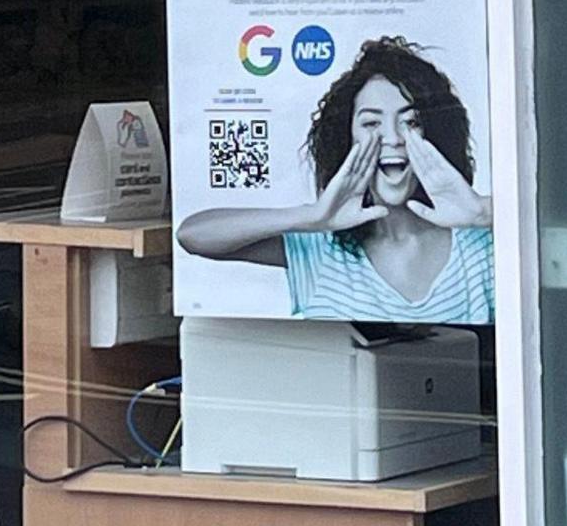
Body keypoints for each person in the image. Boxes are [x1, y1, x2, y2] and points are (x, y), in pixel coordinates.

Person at [174, 38, 492, 323]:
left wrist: (483, 213)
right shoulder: (321, 242)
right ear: (346, 137)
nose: (393, 138)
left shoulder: (480, 243)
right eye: (371, 123)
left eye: (411, 122)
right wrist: (312, 216)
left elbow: (544, 235)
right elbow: (193, 236)